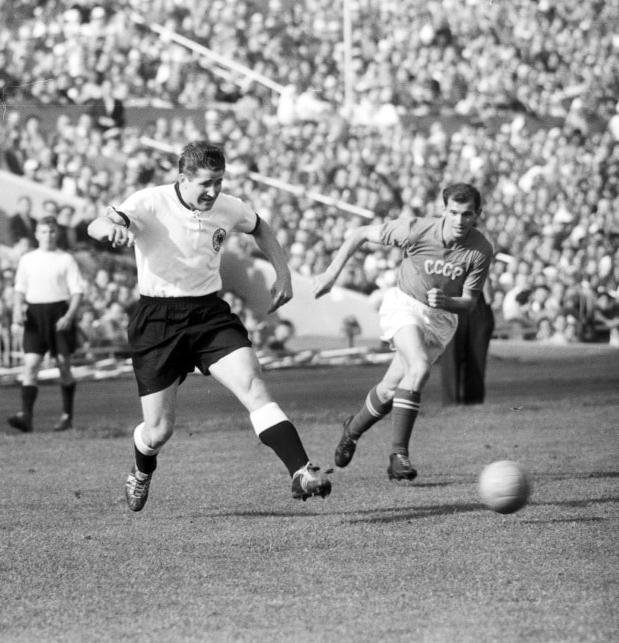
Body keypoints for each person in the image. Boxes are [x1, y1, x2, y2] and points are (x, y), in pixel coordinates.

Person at [86, 141, 331, 512]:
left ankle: (301, 470)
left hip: (208, 315)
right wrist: (110, 229)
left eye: (218, 181)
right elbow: (99, 223)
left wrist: (284, 274)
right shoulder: (150, 201)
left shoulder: (228, 206)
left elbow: (261, 229)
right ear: (183, 179)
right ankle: (141, 469)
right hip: (158, 320)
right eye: (205, 183)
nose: (213, 191)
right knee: (158, 431)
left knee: (253, 384)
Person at [313, 183, 494, 481]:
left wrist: (448, 301)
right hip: (405, 305)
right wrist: (331, 274)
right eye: (454, 213)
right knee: (419, 366)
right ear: (443, 210)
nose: (460, 221)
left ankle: (352, 430)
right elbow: (359, 234)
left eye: (467, 214)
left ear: (477, 215)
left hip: (441, 321)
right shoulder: (415, 230)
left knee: (388, 390)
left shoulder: (480, 250)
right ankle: (399, 456)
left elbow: (471, 303)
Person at [7, 217, 85, 433]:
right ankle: (26, 416)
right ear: (37, 234)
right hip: (34, 313)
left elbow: (77, 291)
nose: (47, 235)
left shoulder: (66, 259)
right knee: (31, 364)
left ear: (56, 233)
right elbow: (19, 288)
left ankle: (67, 416)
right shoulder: (28, 259)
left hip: (59, 312)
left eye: (51, 231)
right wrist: (16, 311)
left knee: (63, 366)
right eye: (43, 231)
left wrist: (69, 316)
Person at [439, 278, 495, 405]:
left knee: (477, 356)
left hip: (477, 303)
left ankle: (474, 401)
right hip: (450, 302)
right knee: (450, 357)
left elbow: (490, 296)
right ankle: (451, 403)